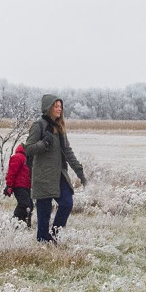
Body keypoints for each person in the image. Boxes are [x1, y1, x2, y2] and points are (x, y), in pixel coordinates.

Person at [24, 94, 87, 242]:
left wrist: (79, 172)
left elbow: (68, 151)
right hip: (43, 176)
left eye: (60, 106)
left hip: (59, 175)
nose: (59, 109)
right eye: (56, 106)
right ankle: (43, 244)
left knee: (67, 203)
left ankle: (55, 234)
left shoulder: (59, 127)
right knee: (43, 216)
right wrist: (44, 144)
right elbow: (28, 149)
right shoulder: (38, 125)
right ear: (48, 107)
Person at [4, 143, 33, 228]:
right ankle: (14, 223)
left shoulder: (27, 158)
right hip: (18, 186)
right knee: (24, 204)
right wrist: (9, 185)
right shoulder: (17, 157)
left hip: (26, 186)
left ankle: (23, 224)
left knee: (30, 205)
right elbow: (11, 173)